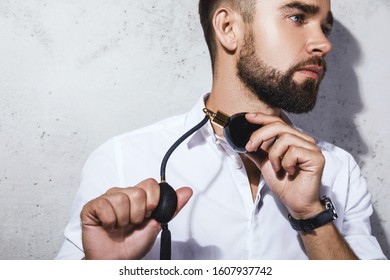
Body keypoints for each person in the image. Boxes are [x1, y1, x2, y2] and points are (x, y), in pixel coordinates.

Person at [56, 0, 386, 260]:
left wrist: (311, 215)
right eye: (299, 17)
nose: (324, 44)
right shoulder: (121, 160)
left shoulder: (339, 170)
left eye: (324, 27)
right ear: (228, 28)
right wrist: (101, 270)